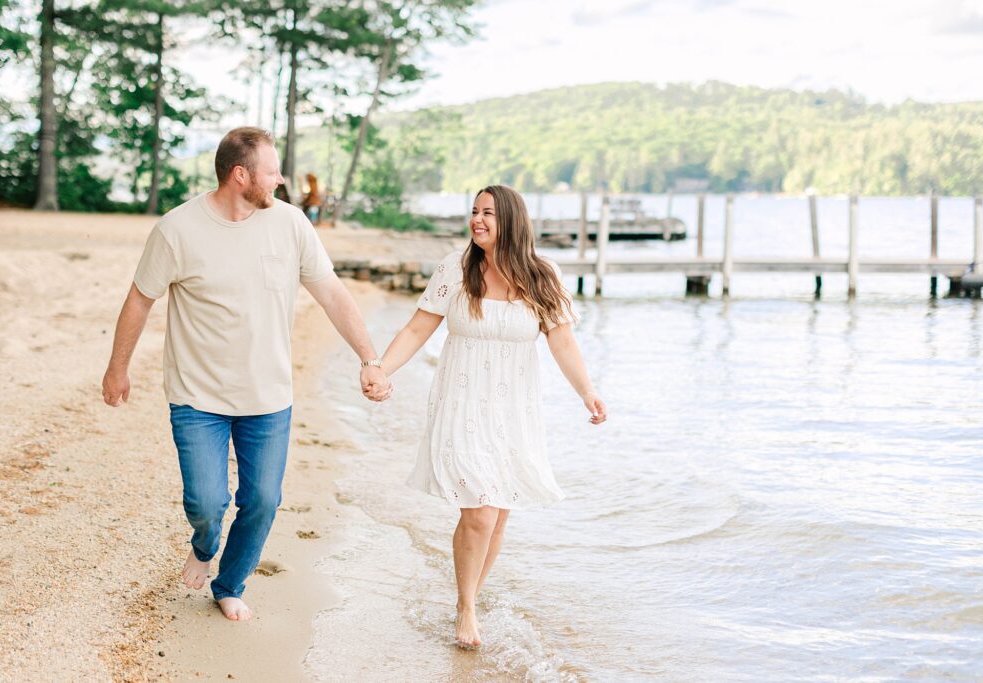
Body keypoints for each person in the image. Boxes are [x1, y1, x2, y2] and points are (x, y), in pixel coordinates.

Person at [100, 127, 392, 622]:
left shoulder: (292, 224)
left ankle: (229, 583)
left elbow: (333, 294)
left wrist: (370, 358)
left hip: (269, 396)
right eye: (272, 171)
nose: (281, 180)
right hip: (198, 397)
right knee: (207, 503)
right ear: (241, 175)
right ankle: (204, 542)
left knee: (262, 500)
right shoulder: (177, 230)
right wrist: (117, 369)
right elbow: (139, 299)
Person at [379, 184, 607, 648]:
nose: (478, 220)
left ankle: (469, 600)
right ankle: (465, 608)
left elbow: (562, 341)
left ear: (512, 221)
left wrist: (587, 392)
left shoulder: (544, 275)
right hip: (461, 404)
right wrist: (380, 369)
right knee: (480, 511)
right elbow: (419, 326)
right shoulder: (457, 269)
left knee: (498, 515)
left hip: (514, 412)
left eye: (489, 213)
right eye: (474, 211)